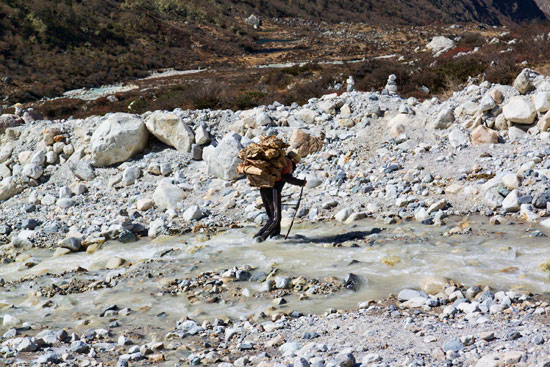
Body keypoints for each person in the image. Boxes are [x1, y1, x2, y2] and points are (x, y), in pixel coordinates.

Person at [254, 151, 306, 242]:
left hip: (264, 189)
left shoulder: (280, 163)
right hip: (273, 190)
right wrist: (301, 183)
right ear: (295, 159)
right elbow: (287, 177)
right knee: (276, 218)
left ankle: (275, 235)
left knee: (272, 216)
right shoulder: (288, 163)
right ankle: (260, 237)